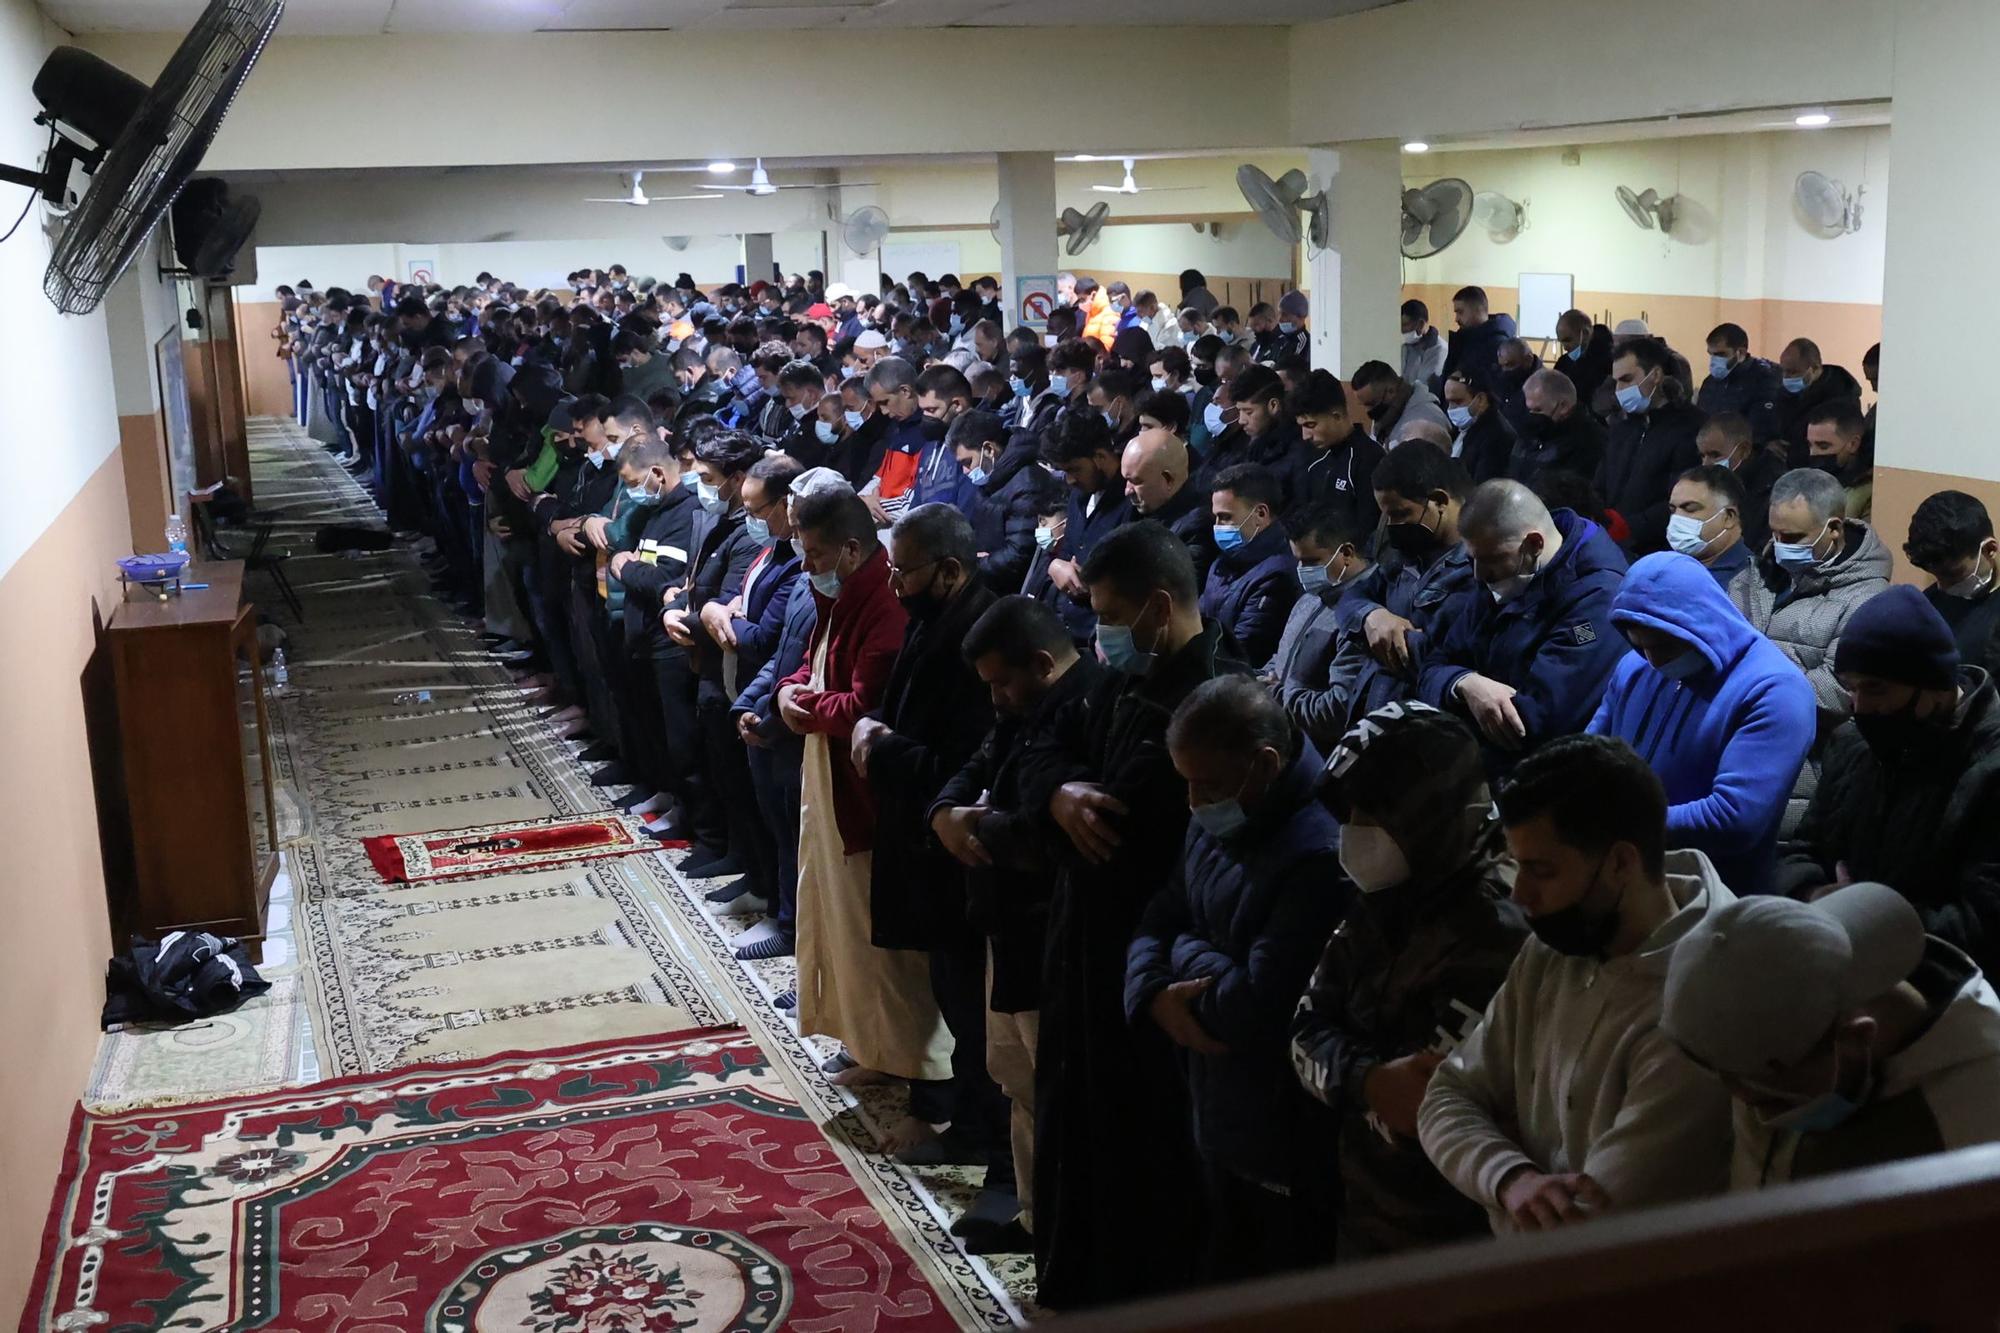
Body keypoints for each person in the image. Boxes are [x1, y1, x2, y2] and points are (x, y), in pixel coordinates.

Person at [1031, 521, 1247, 1308]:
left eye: (1110, 614)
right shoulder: (1128, 674)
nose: (1100, 634)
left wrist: (1067, 801)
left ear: (1159, 607)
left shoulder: (1216, 694)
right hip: (1084, 928)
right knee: (1076, 1115)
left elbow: (1120, 817)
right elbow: (1049, 735)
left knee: (1139, 1143)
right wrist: (1056, 792)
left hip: (1149, 945)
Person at [1417, 734, 1735, 1233]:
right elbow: (1446, 1096)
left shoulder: (1700, 1003)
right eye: (1516, 866)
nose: (1520, 895)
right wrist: (1511, 1176)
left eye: (1540, 870)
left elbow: (1585, 1226)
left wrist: (1493, 1139)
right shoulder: (1558, 943)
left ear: (1621, 863)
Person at [1126, 676, 1346, 1281]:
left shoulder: (1320, 851)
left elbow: (1260, 1000)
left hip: (1279, 1126)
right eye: (1187, 784)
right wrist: (1150, 994)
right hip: (1215, 1101)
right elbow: (1164, 908)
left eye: (1208, 785)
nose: (1194, 802)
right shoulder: (1224, 804)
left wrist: (1185, 962)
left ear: (1265, 764)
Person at [1292, 702, 1530, 1258]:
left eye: (1371, 815)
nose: (1351, 833)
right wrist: (1366, 1079)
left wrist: (1354, 1079)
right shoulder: (1396, 889)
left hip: (1456, 1238)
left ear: (1429, 813)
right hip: (1366, 1212)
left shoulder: (1499, 922)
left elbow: (1420, 1104)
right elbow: (1305, 1025)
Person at [930, 595, 1105, 1257]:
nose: (995, 696)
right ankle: (1035, 1219)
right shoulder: (1019, 707)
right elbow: (979, 767)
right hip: (1003, 926)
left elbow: (1047, 834)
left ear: (1041, 663)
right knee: (1016, 1081)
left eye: (1002, 681)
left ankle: (1065, 1234)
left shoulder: (1085, 708)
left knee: (1052, 1090)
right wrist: (948, 811)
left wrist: (983, 826)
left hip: (1046, 935)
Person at [851, 504, 1010, 1174]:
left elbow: (964, 762)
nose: (893, 586)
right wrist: (878, 725)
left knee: (976, 1013)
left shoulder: (980, 631)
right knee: (952, 993)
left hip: (960, 857)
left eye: (903, 572)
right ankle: (968, 1122)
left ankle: (988, 1140)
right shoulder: (935, 617)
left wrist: (882, 746)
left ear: (948, 569)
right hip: (923, 844)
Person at [1663, 880, 2000, 1189]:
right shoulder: (1855, 971)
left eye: (1772, 1102)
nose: (1746, 1108)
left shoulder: (1963, 1154)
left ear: (1855, 1040)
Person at [780, 489, 953, 1089]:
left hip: (866, 798)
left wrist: (804, 702)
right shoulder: (843, 591)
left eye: (815, 555)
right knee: (839, 922)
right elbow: (815, 660)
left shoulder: (883, 602)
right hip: (827, 779)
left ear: (853, 548)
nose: (807, 568)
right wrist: (788, 689)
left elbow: (863, 704)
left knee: (881, 944)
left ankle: (911, 1063)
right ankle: (867, 1043)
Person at [1777, 585, 2000, 977]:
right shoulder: (1853, 745)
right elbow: (1803, 849)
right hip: (1841, 965)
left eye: (1876, 689)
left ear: (1935, 686)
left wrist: (1864, 920)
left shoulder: (1988, 770)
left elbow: (1982, 922)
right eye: (1852, 688)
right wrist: (1813, 894)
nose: (1860, 707)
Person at [1588, 552, 1816, 895]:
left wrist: (1617, 825)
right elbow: (1588, 757)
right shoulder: (1636, 667)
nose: (1654, 660)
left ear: (1701, 623)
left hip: (1717, 897)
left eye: (1664, 645)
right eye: (1640, 645)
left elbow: (1734, 819)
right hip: (1628, 882)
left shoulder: (1774, 690)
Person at [1417, 480, 1630, 774]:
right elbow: (1433, 663)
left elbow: (1531, 724)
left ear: (1534, 544)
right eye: (1472, 560)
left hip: (1547, 780)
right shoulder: (1504, 570)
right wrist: (1465, 684)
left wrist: (1451, 698)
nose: (1478, 576)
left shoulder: (1599, 597)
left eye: (1489, 560)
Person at [1729, 467, 1892, 830]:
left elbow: (1836, 691)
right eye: (1774, 532)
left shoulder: (1867, 598)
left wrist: (1747, 683)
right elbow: (1721, 645)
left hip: (1804, 774)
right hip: (1736, 757)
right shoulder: (1758, 574)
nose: (1779, 543)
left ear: (1833, 529)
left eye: (1793, 536)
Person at [1343, 442, 1477, 718]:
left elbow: (1446, 653)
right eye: (1387, 517)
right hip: (1378, 708)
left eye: (1401, 514)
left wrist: (1390, 641)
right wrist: (1373, 616)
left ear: (1440, 501)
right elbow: (1350, 597)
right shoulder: (1407, 553)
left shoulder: (1479, 565)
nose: (1393, 526)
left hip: (1427, 721)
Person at [1262, 503, 1373, 749]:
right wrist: (1258, 679)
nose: (1302, 571)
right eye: (1298, 561)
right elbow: (1282, 659)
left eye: (1311, 561)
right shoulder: (1312, 597)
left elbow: (1337, 710)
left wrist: (1276, 695)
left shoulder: (1367, 616)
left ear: (1346, 552)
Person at [1599, 336, 1705, 555]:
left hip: (1659, 550)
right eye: (1616, 381)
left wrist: (1631, 527)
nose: (1619, 389)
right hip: (1615, 545)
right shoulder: (1623, 427)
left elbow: (1683, 496)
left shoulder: (1691, 427)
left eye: (1627, 379)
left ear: (1655, 375)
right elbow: (1602, 480)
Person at [1041, 409, 1133, 645]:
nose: (1070, 479)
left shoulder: (1132, 500)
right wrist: (1056, 566)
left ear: (1100, 457)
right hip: (1064, 625)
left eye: (1074, 469)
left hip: (1103, 636)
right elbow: (1067, 552)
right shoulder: (1079, 493)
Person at [1203, 464, 1301, 667]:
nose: (1218, 526)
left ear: (1261, 514)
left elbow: (1244, 651)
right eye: (1216, 518)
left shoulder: (1278, 574)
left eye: (1226, 517)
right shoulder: (1223, 562)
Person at [1904, 490, 2000, 677]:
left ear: (1990, 549)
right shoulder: (1926, 604)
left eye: (1953, 574)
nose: (1944, 586)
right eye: (1935, 575)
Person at [1290, 368, 1382, 542]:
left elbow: (1369, 531)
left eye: (1311, 425)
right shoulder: (1312, 461)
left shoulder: (1369, 459)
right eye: (1301, 426)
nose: (1305, 436)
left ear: (1337, 416)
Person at [1120, 424, 1217, 583]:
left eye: (1136, 481)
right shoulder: (1138, 510)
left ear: (1168, 480)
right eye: (1126, 480)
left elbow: (1174, 591)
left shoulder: (1197, 527)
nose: (1128, 491)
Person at [1696, 411, 1786, 553]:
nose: (1706, 463)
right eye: (1702, 456)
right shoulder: (1712, 485)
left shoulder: (1774, 488)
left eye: (1715, 455)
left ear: (1744, 450)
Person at [1777, 337, 1864, 465]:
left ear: (1815, 368)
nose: (1785, 377)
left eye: (1793, 372)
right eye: (1783, 371)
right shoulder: (1785, 393)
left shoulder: (1842, 396)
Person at [1510, 368, 1605, 485]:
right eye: (1529, 409)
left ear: (1563, 406)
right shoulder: (1529, 435)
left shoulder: (1590, 443)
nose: (1532, 415)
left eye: (1538, 409)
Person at [1665, 463, 1752, 589]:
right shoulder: (1665, 571)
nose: (1677, 519)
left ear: (1729, 517)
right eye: (1673, 510)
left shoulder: (1753, 582)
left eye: (1690, 509)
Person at [1695, 323, 1783, 444]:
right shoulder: (1710, 382)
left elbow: (1761, 430)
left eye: (1721, 354)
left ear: (1740, 352)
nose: (1715, 361)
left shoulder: (1763, 380)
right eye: (1711, 354)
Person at [1351, 359, 1451, 449]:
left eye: (1371, 404)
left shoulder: (1427, 419)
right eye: (1364, 405)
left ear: (1391, 391)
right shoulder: (1387, 415)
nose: (1367, 411)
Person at [1439, 285, 1517, 397]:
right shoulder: (1465, 339)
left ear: (1479, 310)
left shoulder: (1498, 345)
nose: (1456, 319)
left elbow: (1497, 390)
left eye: (1460, 312)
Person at [1803, 399, 1873, 522]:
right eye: (1810, 445)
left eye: (1823, 446)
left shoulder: (1869, 492)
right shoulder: (1812, 482)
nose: (1813, 453)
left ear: (1853, 444)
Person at [1442, 368, 1515, 484]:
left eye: (1457, 402)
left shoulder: (1497, 436)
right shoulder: (1461, 427)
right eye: (1449, 402)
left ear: (1480, 399)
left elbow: (1483, 486)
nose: (1451, 409)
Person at [1553, 309, 1615, 415]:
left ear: (1585, 333)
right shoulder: (1564, 363)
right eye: (1561, 342)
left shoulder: (1611, 363)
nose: (1565, 347)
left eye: (1568, 340)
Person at [1400, 298, 1448, 389]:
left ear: (1421, 324)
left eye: (1405, 324)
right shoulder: (1407, 346)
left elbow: (1425, 385)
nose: (1402, 329)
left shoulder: (1439, 350)